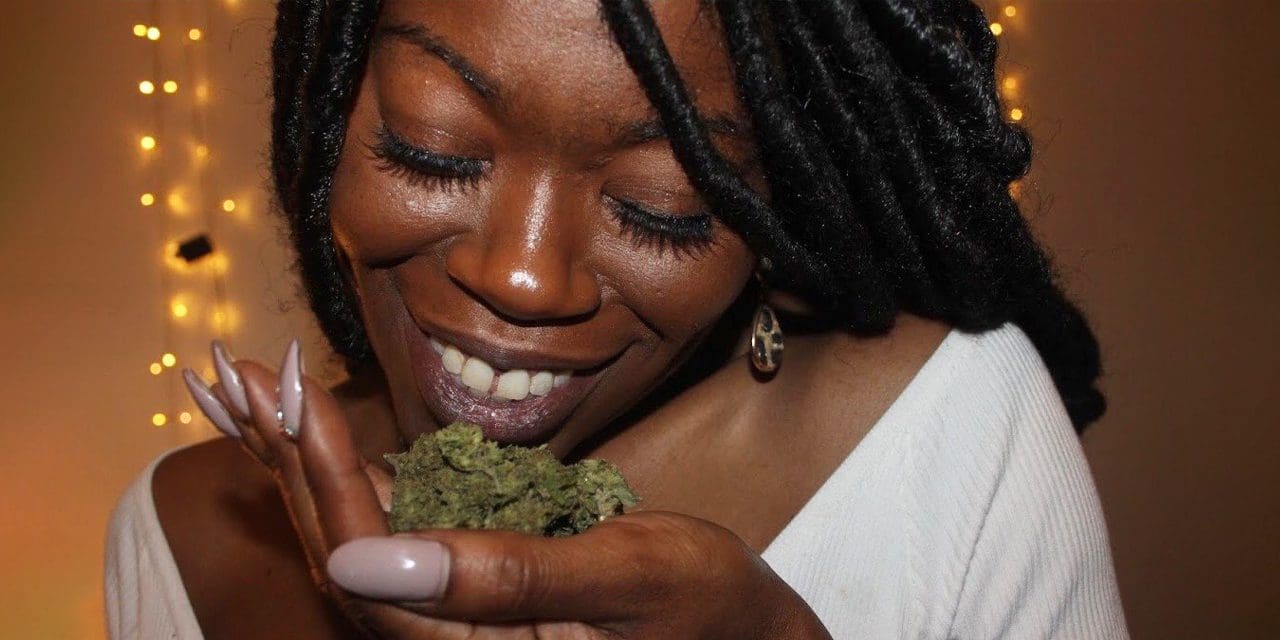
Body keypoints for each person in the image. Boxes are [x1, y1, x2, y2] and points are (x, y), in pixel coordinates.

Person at [105, 0, 1128, 637]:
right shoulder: (182, 535)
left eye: (660, 206)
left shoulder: (952, 427)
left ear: (772, 211)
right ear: (326, 115)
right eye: (433, 147)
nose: (522, 275)